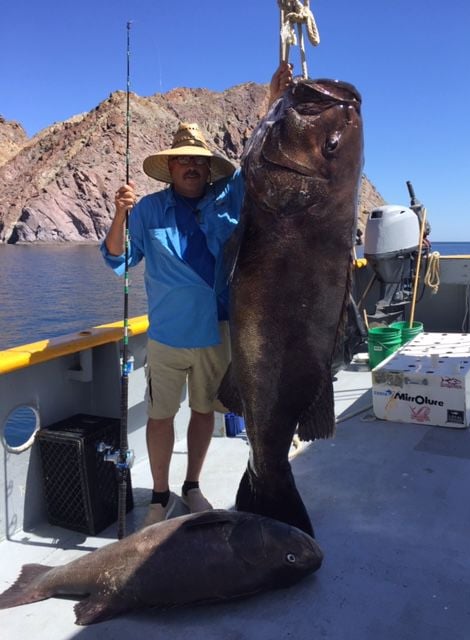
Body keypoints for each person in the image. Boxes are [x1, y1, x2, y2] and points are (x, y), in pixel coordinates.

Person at [101, 62, 293, 527]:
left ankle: (192, 486)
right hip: (167, 335)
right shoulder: (147, 210)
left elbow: (259, 159)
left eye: (199, 161)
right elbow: (117, 261)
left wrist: (272, 102)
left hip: (218, 331)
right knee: (162, 416)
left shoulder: (229, 197)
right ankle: (159, 495)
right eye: (184, 160)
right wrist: (119, 217)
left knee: (204, 411)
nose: (192, 166)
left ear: (209, 168)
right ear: (170, 167)